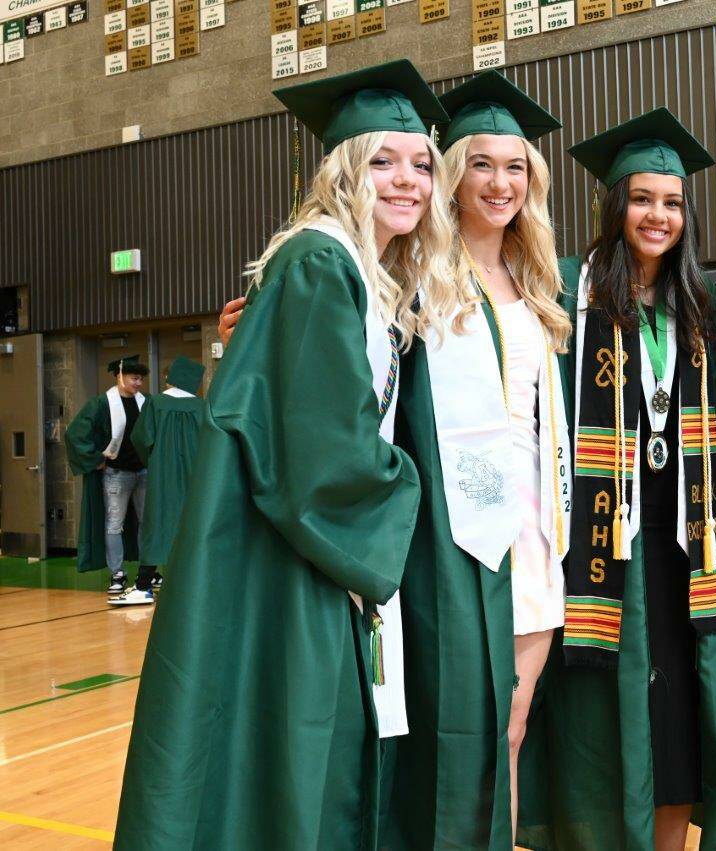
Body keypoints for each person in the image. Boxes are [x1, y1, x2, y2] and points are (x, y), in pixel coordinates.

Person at [114, 59, 449, 848]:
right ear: (343, 168)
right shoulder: (319, 261)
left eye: (423, 164)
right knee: (299, 756)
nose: (407, 181)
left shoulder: (357, 269)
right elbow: (322, 457)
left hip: (304, 554)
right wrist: (418, 493)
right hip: (294, 563)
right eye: (383, 160)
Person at [517, 109, 716, 850]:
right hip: (601, 550)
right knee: (611, 724)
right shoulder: (566, 295)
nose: (659, 215)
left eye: (673, 201)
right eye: (644, 198)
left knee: (681, 724)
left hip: (688, 548)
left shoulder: (703, 306)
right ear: (615, 204)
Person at [383, 70, 574, 850]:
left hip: (530, 532)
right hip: (452, 543)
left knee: (514, 722)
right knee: (456, 728)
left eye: (516, 166)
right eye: (482, 164)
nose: (500, 183)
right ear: (452, 174)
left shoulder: (534, 284)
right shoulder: (411, 272)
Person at [109, 355, 208, 606]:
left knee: (156, 525)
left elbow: (141, 438)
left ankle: (143, 586)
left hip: (163, 476)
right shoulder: (202, 406)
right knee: (193, 526)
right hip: (195, 478)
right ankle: (195, 585)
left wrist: (154, 460)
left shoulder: (156, 404)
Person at [65, 354, 154, 597]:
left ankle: (148, 570)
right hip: (116, 474)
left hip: (143, 472)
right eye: (134, 378)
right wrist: (96, 459)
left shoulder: (145, 402)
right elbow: (75, 434)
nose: (138, 383)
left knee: (148, 523)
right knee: (115, 524)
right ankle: (117, 573)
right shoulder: (101, 404)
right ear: (120, 376)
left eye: (140, 379)